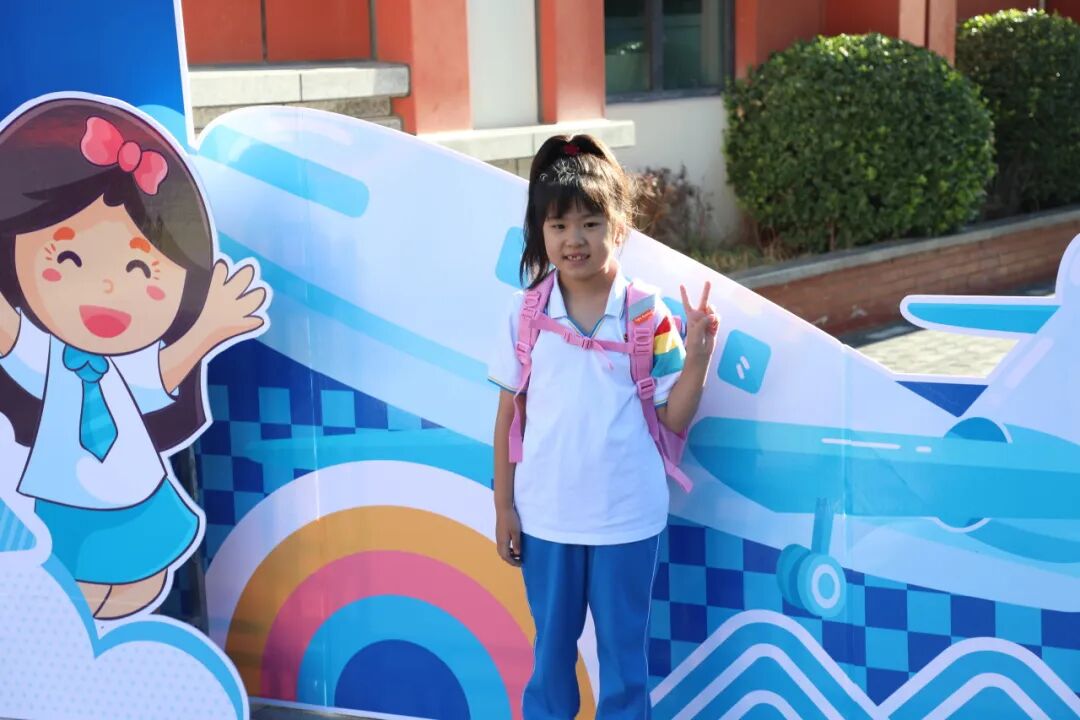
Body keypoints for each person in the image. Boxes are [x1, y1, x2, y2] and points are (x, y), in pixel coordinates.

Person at [0, 97, 268, 619]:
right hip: (63, 502)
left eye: (142, 270)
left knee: (142, 585)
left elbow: (162, 376)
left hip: (140, 494)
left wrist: (207, 329)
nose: (107, 287)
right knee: (70, 599)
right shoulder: (44, 357)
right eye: (68, 258)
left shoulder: (131, 365)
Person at [488, 134, 720, 718]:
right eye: (559, 225)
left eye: (590, 223)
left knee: (623, 664)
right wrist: (504, 506)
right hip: (546, 519)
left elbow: (674, 419)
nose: (575, 239)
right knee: (550, 658)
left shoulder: (648, 313)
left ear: (619, 228)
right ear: (540, 232)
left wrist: (697, 356)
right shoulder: (524, 313)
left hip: (627, 519)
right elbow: (508, 417)